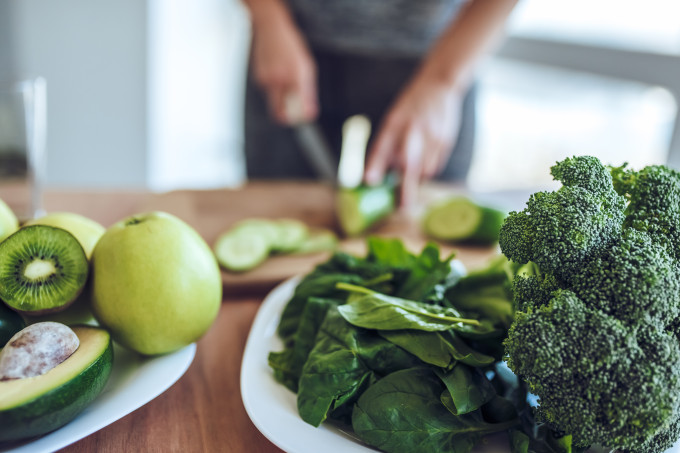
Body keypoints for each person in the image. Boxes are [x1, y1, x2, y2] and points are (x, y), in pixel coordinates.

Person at [242, 0, 518, 207]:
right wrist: (269, 20)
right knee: (278, 206)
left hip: (442, 53)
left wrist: (443, 82)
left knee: (422, 210)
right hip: (290, 40)